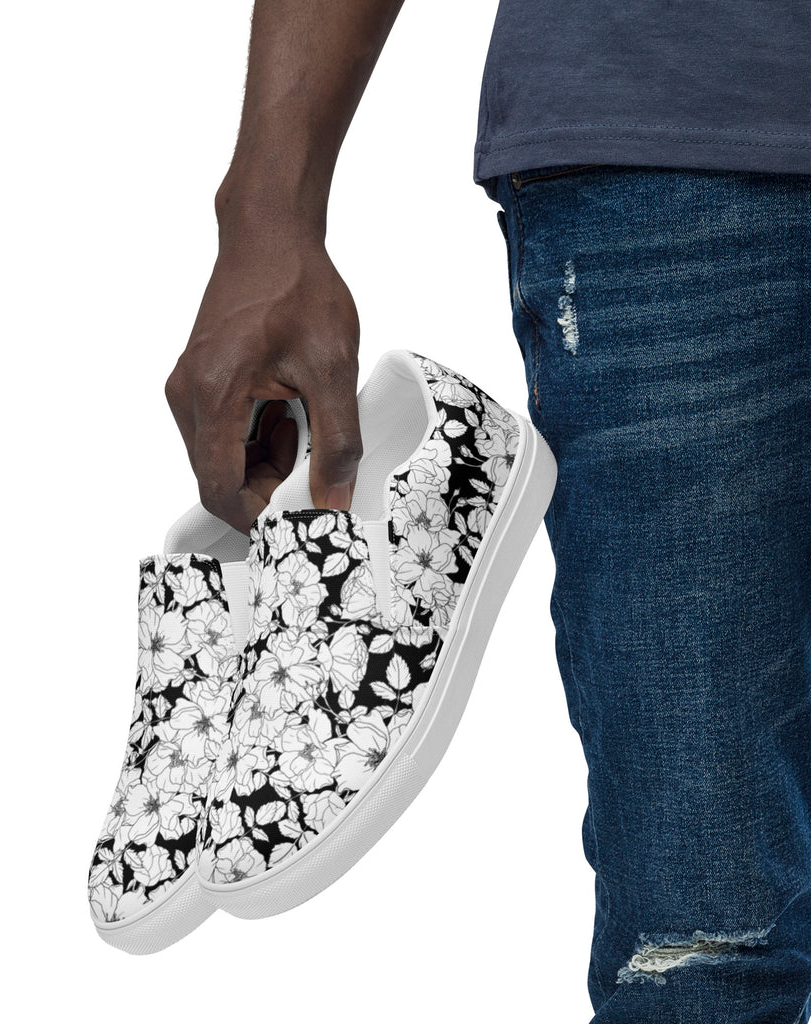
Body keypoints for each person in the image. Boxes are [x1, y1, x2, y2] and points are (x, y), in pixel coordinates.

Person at [163, 2, 811, 1019]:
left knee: (705, 936)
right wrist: (266, 214)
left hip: (672, 156)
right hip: (675, 133)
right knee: (701, 939)